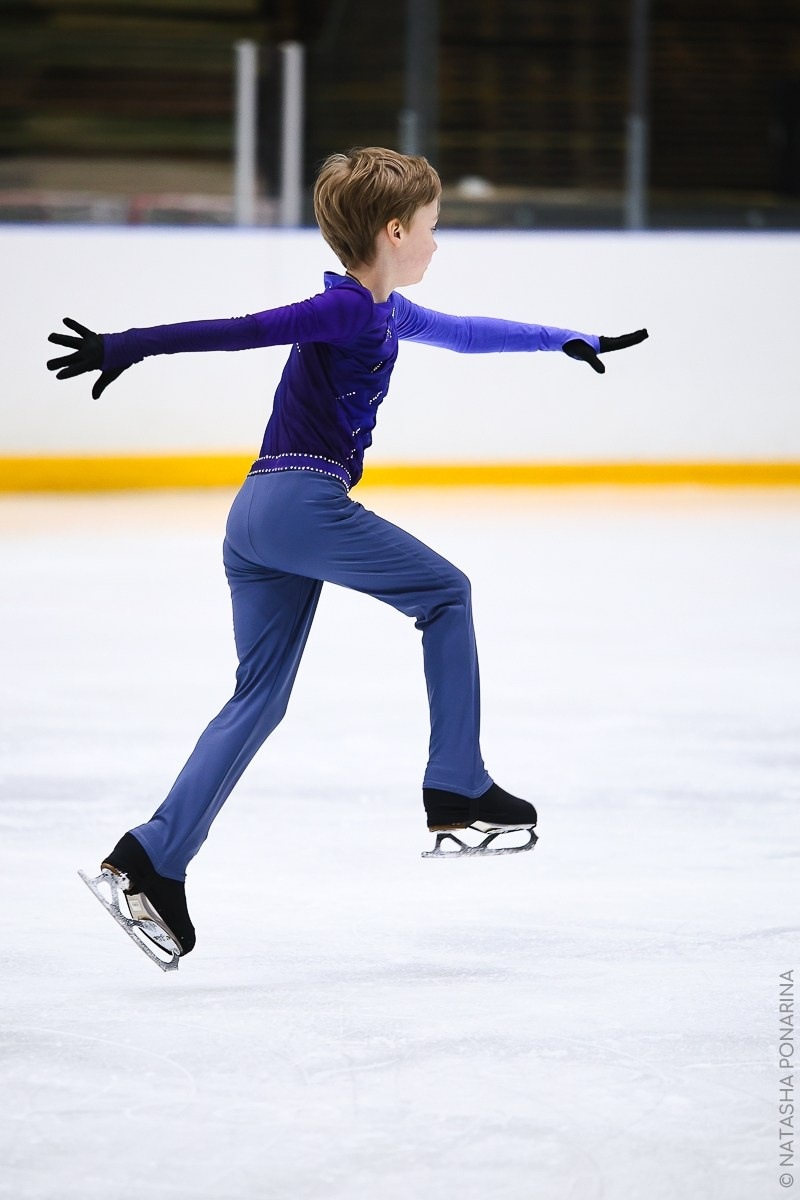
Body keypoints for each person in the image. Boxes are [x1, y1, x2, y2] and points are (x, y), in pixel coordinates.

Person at [48, 146, 647, 965]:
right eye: (431, 226)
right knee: (446, 593)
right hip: (302, 505)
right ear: (394, 230)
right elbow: (243, 331)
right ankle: (458, 783)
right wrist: (129, 344)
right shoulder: (347, 310)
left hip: (254, 516)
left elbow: (469, 334)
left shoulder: (383, 312)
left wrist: (564, 338)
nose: (436, 242)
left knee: (258, 699)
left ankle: (155, 855)